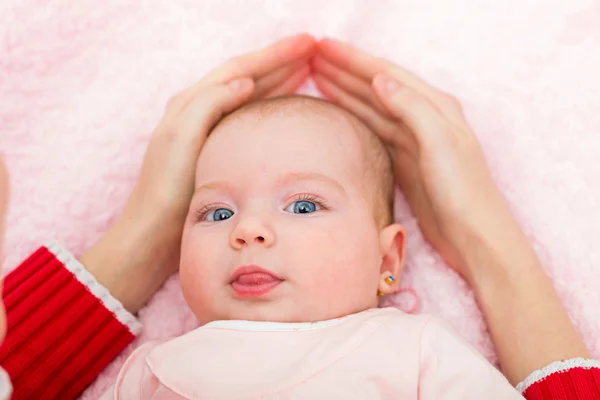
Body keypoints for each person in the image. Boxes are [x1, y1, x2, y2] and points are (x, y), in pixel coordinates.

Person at [0, 34, 597, 399]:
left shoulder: (414, 351)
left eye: (304, 205)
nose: (247, 230)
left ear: (388, 261)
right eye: (214, 211)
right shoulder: (152, 371)